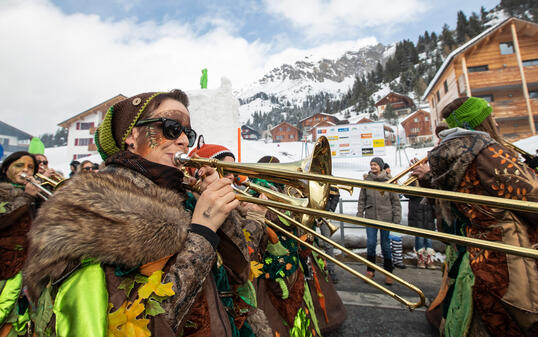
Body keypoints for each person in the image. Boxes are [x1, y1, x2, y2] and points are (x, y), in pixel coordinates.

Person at [23, 90, 262, 336]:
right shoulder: (95, 205)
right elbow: (138, 325)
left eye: (187, 133)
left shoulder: (186, 196)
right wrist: (202, 232)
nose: (184, 142)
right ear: (131, 136)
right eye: (171, 127)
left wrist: (216, 202)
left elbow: (239, 273)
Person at [412, 96, 538, 336]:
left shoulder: (453, 155)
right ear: (482, 122)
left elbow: (447, 210)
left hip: (479, 252)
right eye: (491, 118)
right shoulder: (488, 153)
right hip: (511, 256)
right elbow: (532, 195)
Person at [0, 151, 40, 334]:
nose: (25, 170)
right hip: (4, 269)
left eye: (30, 167)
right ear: (5, 168)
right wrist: (27, 197)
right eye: (19, 165)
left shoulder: (34, 195)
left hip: (26, 270)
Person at [357, 157, 401, 285]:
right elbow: (362, 199)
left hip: (385, 218)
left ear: (381, 166)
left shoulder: (389, 181)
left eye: (375, 164)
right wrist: (360, 213)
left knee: (385, 246)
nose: (373, 167)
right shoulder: (367, 181)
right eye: (371, 164)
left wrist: (396, 217)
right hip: (371, 217)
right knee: (370, 244)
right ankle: (370, 271)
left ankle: (388, 273)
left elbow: (395, 201)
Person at [405, 179, 436, 269]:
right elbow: (406, 194)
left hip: (428, 214)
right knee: (420, 238)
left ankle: (429, 259)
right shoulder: (411, 181)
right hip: (417, 214)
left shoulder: (429, 178)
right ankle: (421, 259)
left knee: (429, 238)